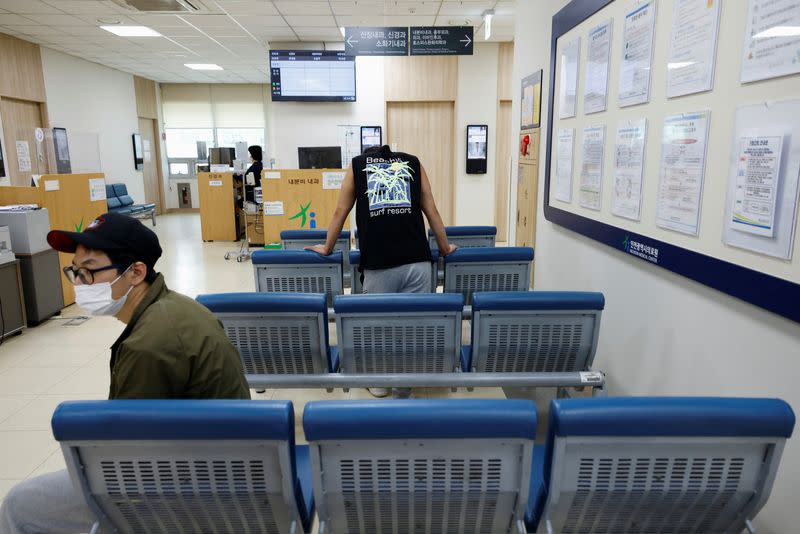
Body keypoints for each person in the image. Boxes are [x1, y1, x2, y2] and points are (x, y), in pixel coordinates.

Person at [0, 213, 250, 534]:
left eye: (89, 271)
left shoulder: (151, 342)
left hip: (194, 488)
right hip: (218, 463)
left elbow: (127, 460)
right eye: (74, 271)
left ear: (135, 272)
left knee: (19, 506)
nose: (78, 283)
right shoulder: (175, 309)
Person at [305, 144, 455, 397]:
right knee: (413, 327)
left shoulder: (357, 166)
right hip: (418, 261)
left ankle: (379, 383)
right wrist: (445, 248)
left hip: (379, 263)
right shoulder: (414, 162)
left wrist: (327, 246)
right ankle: (405, 384)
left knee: (378, 326)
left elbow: (341, 211)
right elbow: (432, 211)